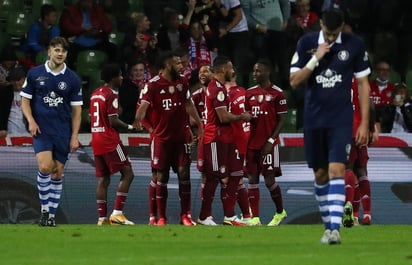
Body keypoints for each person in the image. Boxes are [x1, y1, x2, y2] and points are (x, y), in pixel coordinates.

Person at [289, 8, 371, 244]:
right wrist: (316, 58)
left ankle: (334, 230)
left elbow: (364, 84)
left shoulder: (355, 45)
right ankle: (328, 226)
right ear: (321, 25)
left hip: (341, 119)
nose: (332, 37)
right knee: (321, 173)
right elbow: (294, 81)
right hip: (314, 119)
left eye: (335, 33)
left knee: (337, 169)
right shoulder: (306, 43)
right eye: (328, 32)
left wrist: (364, 122)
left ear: (342, 27)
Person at [20, 36, 83, 227]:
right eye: (56, 50)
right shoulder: (34, 73)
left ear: (66, 54)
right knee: (45, 167)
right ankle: (44, 211)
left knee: (57, 173)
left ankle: (52, 216)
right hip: (42, 130)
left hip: (63, 131)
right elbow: (25, 101)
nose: (60, 54)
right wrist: (31, 121)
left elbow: (77, 110)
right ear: (49, 51)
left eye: (63, 51)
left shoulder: (72, 78)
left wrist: (74, 137)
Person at [135, 51, 203, 226]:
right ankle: (160, 217)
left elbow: (188, 104)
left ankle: (185, 215)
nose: (181, 66)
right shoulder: (152, 85)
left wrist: (200, 124)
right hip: (161, 139)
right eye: (177, 63)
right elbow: (143, 107)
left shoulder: (183, 82)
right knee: (161, 176)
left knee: (184, 173)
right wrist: (139, 118)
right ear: (167, 65)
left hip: (181, 138)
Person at [199, 56, 252, 225]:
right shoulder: (217, 89)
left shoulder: (219, 87)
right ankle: (204, 216)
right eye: (230, 68)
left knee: (231, 174)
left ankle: (229, 215)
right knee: (214, 176)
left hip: (225, 138)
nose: (233, 71)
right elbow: (222, 117)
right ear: (222, 70)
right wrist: (242, 116)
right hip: (215, 138)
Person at [89, 63, 136, 225]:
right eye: (120, 75)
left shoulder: (95, 94)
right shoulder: (111, 94)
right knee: (128, 173)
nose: (122, 78)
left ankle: (102, 218)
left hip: (96, 139)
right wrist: (130, 127)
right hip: (109, 140)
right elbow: (113, 120)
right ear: (113, 78)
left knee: (103, 178)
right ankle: (117, 213)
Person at [244, 59, 288, 226]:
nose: (255, 74)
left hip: (269, 144)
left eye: (258, 71)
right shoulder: (249, 93)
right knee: (252, 179)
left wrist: (271, 140)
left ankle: (280, 212)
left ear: (267, 72)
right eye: (254, 71)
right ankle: (254, 217)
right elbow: (246, 116)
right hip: (251, 144)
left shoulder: (278, 93)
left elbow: (282, 119)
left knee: (269, 180)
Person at [242, 0, 291, 89]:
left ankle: (286, 85)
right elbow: (246, 16)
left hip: (278, 29)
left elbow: (285, 4)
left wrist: (285, 20)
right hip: (260, 33)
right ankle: (269, 86)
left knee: (282, 60)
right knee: (266, 62)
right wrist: (257, 26)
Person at [59, 0, 116, 68]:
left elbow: (108, 25)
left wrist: (99, 31)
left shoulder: (97, 10)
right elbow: (66, 27)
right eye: (86, 2)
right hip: (76, 43)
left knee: (113, 49)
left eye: (90, 2)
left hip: (96, 42)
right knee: (68, 53)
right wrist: (83, 29)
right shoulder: (70, 11)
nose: (89, 4)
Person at [119, 60, 147, 125]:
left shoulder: (149, 85)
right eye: (135, 70)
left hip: (147, 122)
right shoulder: (125, 85)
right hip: (130, 121)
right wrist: (139, 92)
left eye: (141, 70)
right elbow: (127, 104)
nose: (138, 73)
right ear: (131, 71)